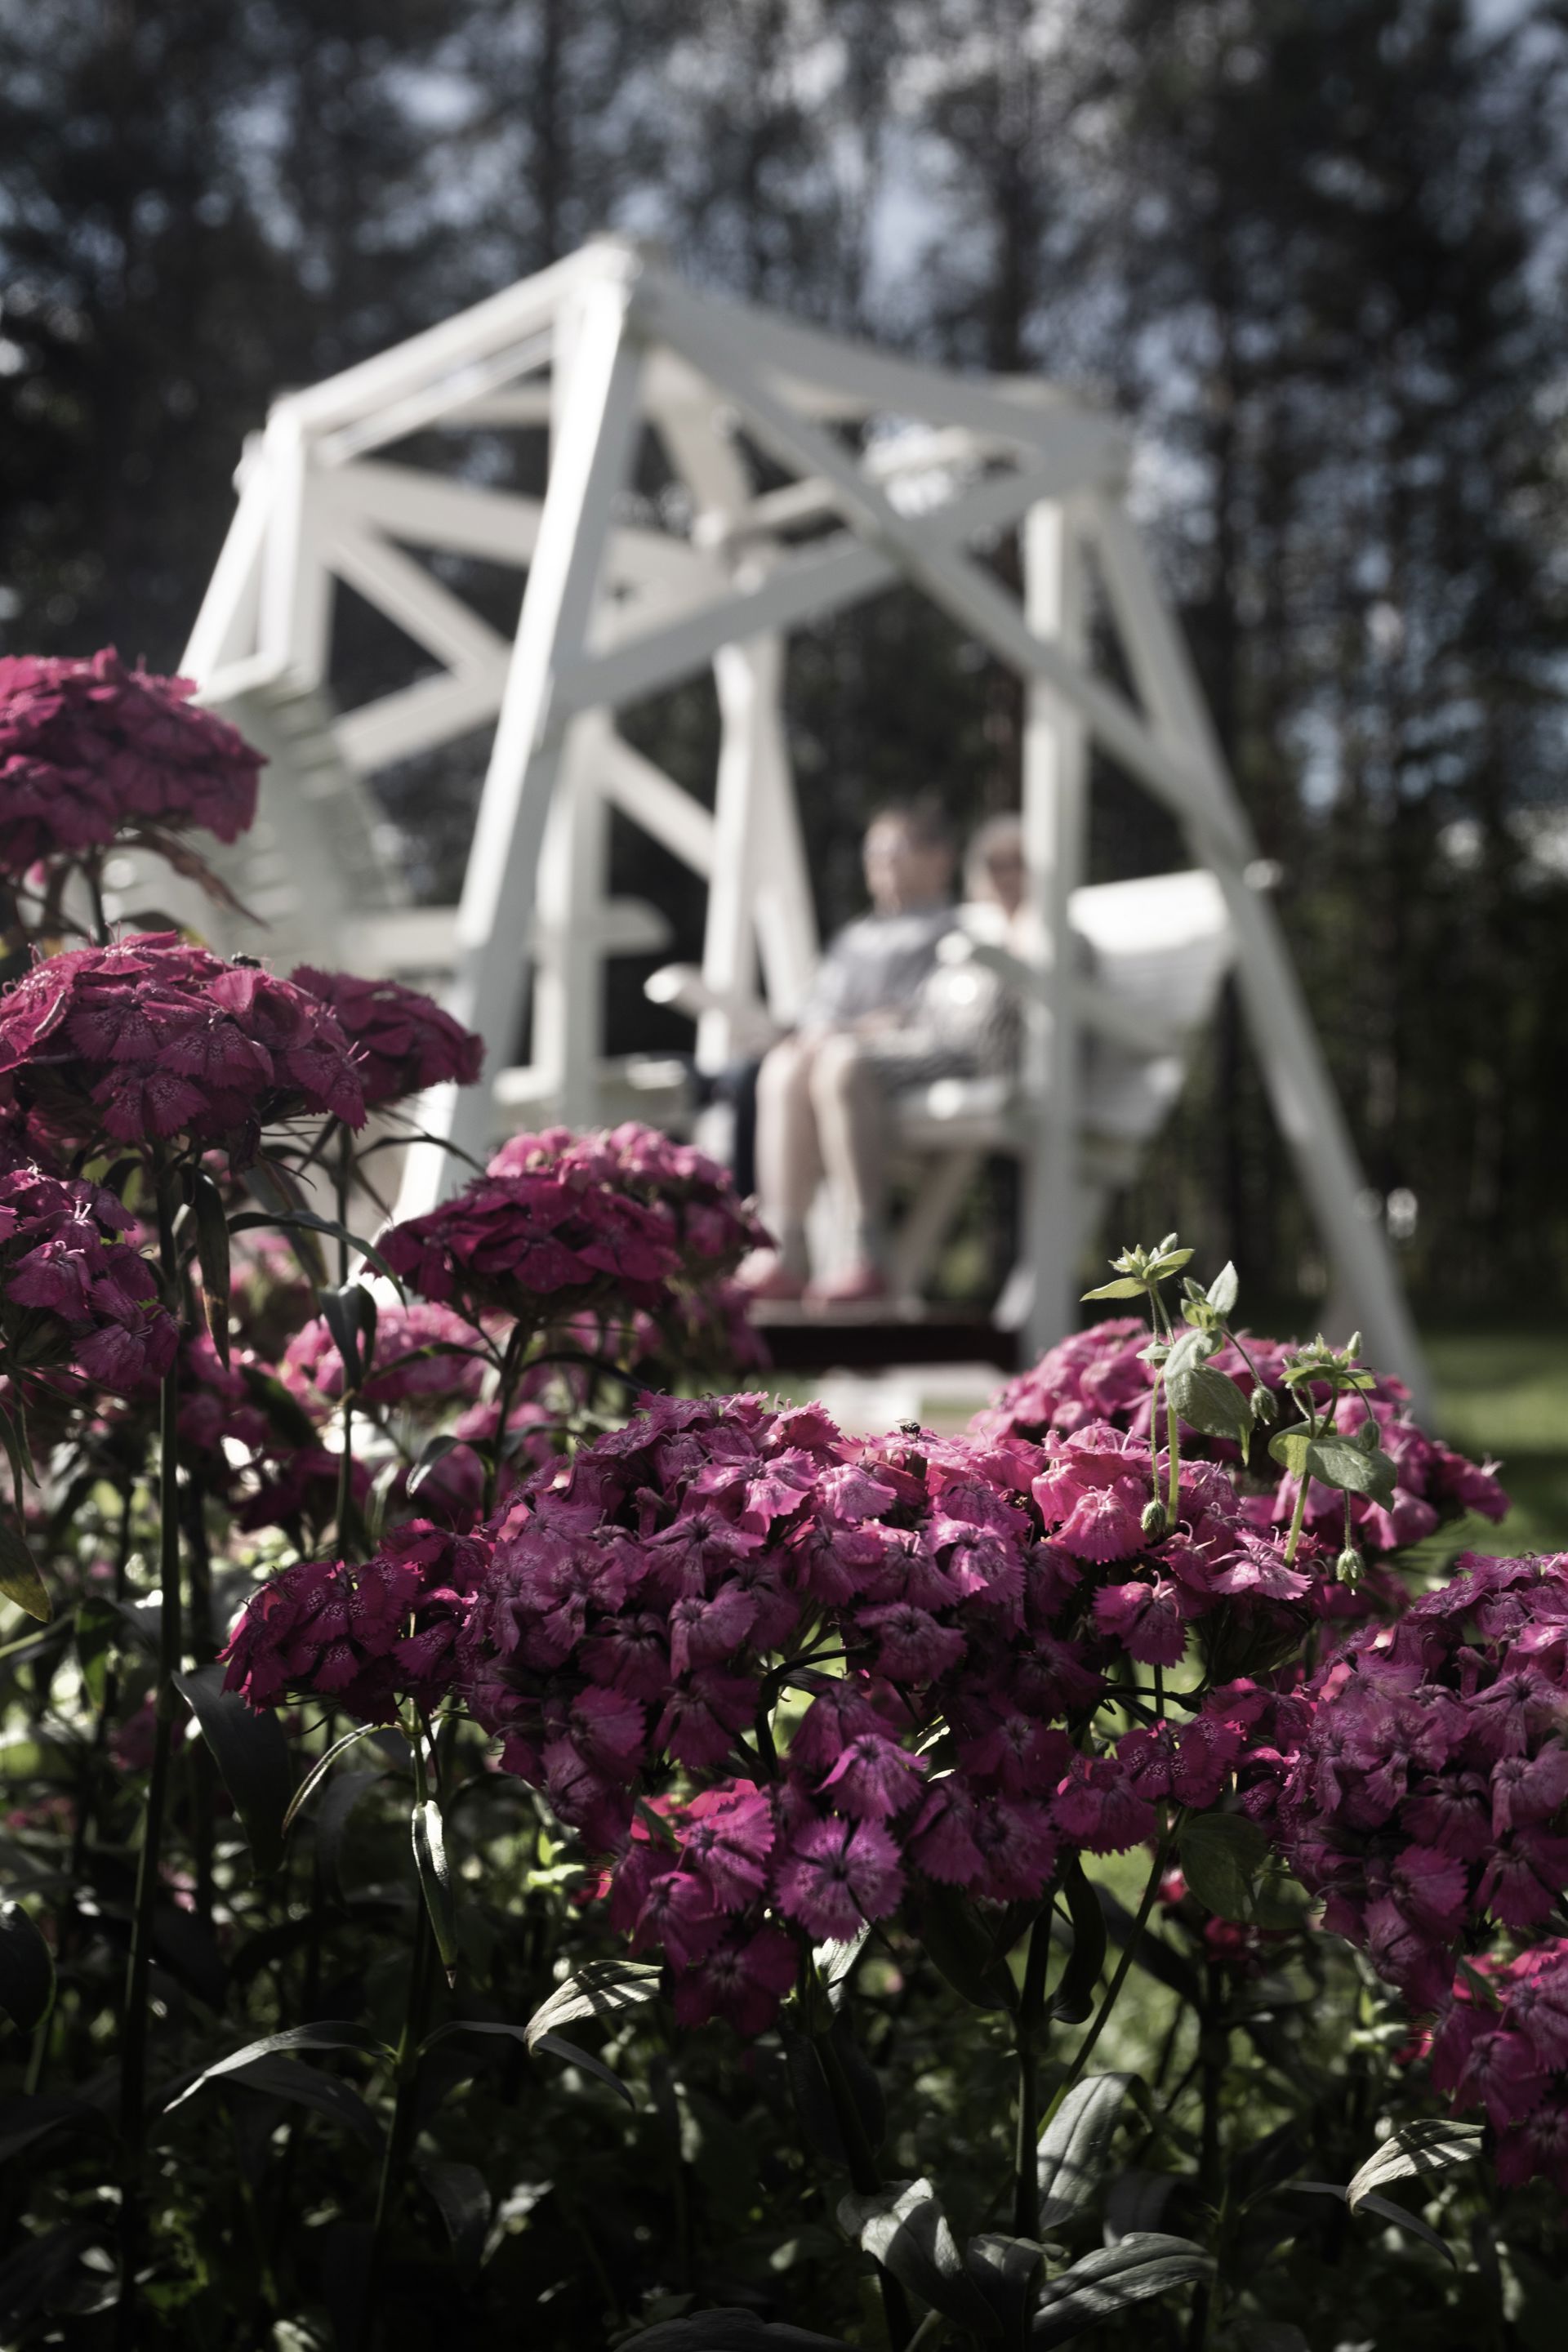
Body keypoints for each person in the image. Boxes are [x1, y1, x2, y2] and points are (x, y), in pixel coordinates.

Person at [741, 803, 1024, 1306]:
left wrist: (849, 1033)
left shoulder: (954, 929)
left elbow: (938, 1009)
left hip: (914, 1056)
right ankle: (782, 1247)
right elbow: (816, 1013)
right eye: (873, 852)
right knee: (782, 1066)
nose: (881, 863)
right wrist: (817, 1034)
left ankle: (865, 1251)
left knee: (840, 1061)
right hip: (844, 1057)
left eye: (895, 849)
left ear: (939, 859)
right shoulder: (855, 938)